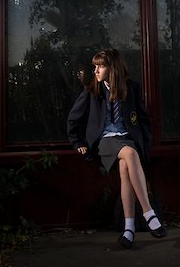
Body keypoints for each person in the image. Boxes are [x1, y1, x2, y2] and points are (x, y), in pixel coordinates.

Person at [67, 48, 166, 249]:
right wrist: (78, 143)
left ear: (113, 68)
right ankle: (149, 213)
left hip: (126, 138)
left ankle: (128, 229)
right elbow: (73, 119)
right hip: (105, 141)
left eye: (100, 66)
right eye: (94, 66)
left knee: (125, 171)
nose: (95, 70)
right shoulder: (91, 89)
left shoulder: (131, 88)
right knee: (130, 153)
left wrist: (144, 144)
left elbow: (144, 120)